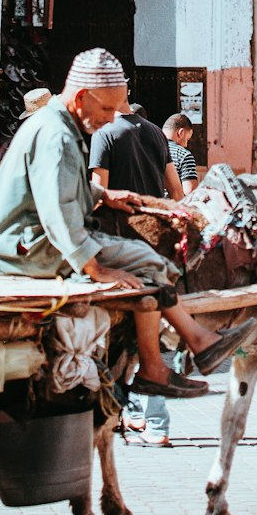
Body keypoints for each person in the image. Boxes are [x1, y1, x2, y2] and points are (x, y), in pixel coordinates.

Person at [0, 48, 257, 399]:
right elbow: (56, 211)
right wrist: (95, 268)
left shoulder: (54, 124)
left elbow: (59, 188)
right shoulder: (58, 136)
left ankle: (179, 352)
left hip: (27, 240)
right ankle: (171, 358)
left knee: (147, 263)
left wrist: (103, 195)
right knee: (149, 262)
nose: (112, 119)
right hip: (30, 248)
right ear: (82, 97)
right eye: (107, 109)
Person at [90, 101, 181, 447]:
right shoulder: (157, 132)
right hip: (156, 239)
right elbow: (175, 190)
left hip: (120, 242)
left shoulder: (104, 134)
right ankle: (144, 416)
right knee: (147, 329)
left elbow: (98, 194)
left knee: (120, 335)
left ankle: (141, 416)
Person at [163, 113, 199, 195]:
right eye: (187, 139)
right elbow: (190, 191)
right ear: (181, 133)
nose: (186, 145)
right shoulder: (183, 154)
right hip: (172, 206)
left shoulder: (148, 149)